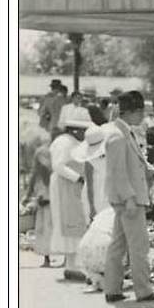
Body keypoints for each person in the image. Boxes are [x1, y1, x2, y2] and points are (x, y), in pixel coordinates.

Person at [103, 90, 154, 304]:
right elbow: (118, 172)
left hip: (127, 198)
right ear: (132, 112)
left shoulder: (123, 133)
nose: (143, 116)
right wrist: (129, 198)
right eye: (141, 112)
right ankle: (143, 290)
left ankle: (112, 288)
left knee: (118, 245)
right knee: (138, 246)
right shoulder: (119, 136)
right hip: (130, 199)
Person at [49, 105, 92, 279]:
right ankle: (72, 264)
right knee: (70, 222)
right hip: (64, 184)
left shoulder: (73, 142)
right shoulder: (64, 142)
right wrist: (78, 178)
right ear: (74, 130)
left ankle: (73, 264)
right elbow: (58, 165)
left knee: (76, 221)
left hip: (72, 185)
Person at [23, 140, 54, 267]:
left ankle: (54, 258)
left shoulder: (51, 174)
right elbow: (31, 186)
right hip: (43, 206)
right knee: (43, 231)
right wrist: (28, 197)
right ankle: (47, 258)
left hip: (50, 205)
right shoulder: (39, 174)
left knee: (50, 230)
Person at [74, 124, 110, 220]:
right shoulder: (89, 160)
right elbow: (89, 184)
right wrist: (92, 208)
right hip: (95, 195)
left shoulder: (110, 153)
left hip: (108, 192)